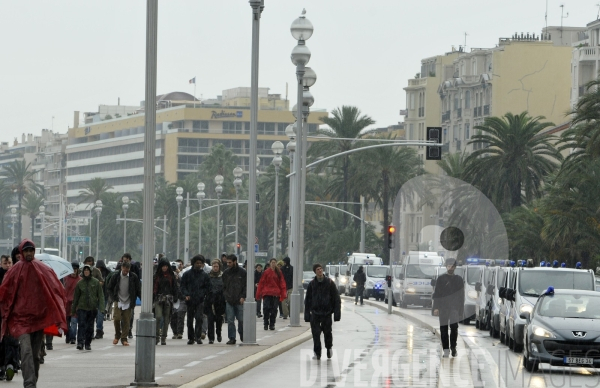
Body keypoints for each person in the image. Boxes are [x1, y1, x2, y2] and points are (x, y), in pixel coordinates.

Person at [0, 239, 67, 387]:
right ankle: (29, 384)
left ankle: (32, 381)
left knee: (36, 356)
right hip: (21, 320)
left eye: (31, 250)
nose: (29, 253)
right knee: (26, 352)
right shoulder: (14, 270)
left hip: (38, 319)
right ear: (22, 252)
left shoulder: (43, 269)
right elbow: (5, 292)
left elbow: (54, 289)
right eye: (26, 251)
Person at [304, 263, 341, 360]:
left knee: (327, 332)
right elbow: (307, 300)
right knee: (316, 333)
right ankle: (317, 353)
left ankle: (329, 348)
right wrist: (307, 314)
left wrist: (336, 313)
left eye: (321, 269)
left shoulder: (329, 283)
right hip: (315, 313)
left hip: (327, 312)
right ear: (315, 272)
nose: (320, 271)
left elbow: (336, 298)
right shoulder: (312, 284)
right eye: (317, 270)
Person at [432, 258, 465, 358]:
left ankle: (453, 347)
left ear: (455, 267)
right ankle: (446, 349)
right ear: (446, 266)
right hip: (443, 307)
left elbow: (461, 296)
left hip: (454, 307)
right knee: (443, 329)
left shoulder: (459, 280)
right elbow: (437, 294)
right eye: (449, 266)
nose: (451, 268)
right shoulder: (441, 279)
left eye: (452, 266)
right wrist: (436, 308)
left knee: (454, 327)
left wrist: (461, 311)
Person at [71, 265, 104, 350]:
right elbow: (76, 297)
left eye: (87, 270)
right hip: (82, 308)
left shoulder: (96, 282)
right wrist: (73, 309)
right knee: (81, 325)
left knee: (90, 327)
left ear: (90, 271)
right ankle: (80, 342)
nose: (86, 272)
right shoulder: (80, 283)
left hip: (92, 309)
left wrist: (102, 308)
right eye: (85, 270)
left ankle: (88, 343)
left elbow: (100, 296)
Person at [108, 261, 141, 346]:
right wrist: (113, 298)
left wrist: (140, 298)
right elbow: (110, 288)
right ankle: (117, 335)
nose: (126, 272)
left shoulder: (133, 277)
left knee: (126, 321)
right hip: (118, 299)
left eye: (127, 270)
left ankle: (124, 338)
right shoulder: (116, 276)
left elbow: (138, 289)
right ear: (121, 268)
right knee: (116, 318)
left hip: (128, 301)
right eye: (124, 270)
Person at [180, 255, 210, 345]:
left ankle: (198, 337)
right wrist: (186, 295)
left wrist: (204, 294)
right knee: (189, 320)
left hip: (200, 300)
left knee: (199, 319)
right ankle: (191, 338)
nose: (199, 265)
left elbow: (208, 287)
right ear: (194, 263)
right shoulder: (187, 274)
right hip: (190, 300)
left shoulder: (205, 275)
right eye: (197, 263)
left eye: (200, 263)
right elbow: (182, 286)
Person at [256, 258, 287, 331]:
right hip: (267, 293)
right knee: (266, 308)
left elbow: (282, 282)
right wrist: (259, 293)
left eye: (274, 262)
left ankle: (272, 324)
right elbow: (262, 282)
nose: (273, 264)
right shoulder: (266, 272)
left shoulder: (279, 272)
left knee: (274, 309)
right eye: (272, 262)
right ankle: (266, 323)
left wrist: (283, 292)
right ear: (270, 263)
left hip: (275, 293)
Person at [153, 258, 178, 345]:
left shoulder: (171, 276)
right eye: (163, 266)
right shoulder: (156, 276)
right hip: (158, 299)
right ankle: (156, 337)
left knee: (167, 319)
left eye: (166, 266)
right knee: (158, 317)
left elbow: (175, 287)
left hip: (168, 299)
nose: (164, 268)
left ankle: (163, 337)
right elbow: (154, 288)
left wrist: (177, 297)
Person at [222, 254, 246, 345]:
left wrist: (243, 296)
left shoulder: (242, 272)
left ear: (235, 262)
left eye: (230, 262)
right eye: (227, 262)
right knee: (230, 320)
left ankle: (243, 335)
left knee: (241, 320)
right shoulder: (226, 273)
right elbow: (223, 286)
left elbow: (245, 286)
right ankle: (232, 338)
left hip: (240, 300)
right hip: (229, 300)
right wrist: (226, 296)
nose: (228, 264)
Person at [204, 259, 225, 344]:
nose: (215, 268)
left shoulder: (223, 276)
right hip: (210, 301)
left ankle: (218, 333)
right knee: (210, 320)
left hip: (220, 301)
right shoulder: (208, 276)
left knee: (219, 320)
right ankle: (211, 338)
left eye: (217, 266)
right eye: (214, 266)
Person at [63, 261, 82, 345]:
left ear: (78, 270)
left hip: (75, 304)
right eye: (73, 269)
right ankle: (68, 335)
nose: (74, 271)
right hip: (66, 303)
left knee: (74, 321)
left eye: (76, 269)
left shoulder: (80, 280)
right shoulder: (65, 278)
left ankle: (73, 338)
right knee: (66, 322)